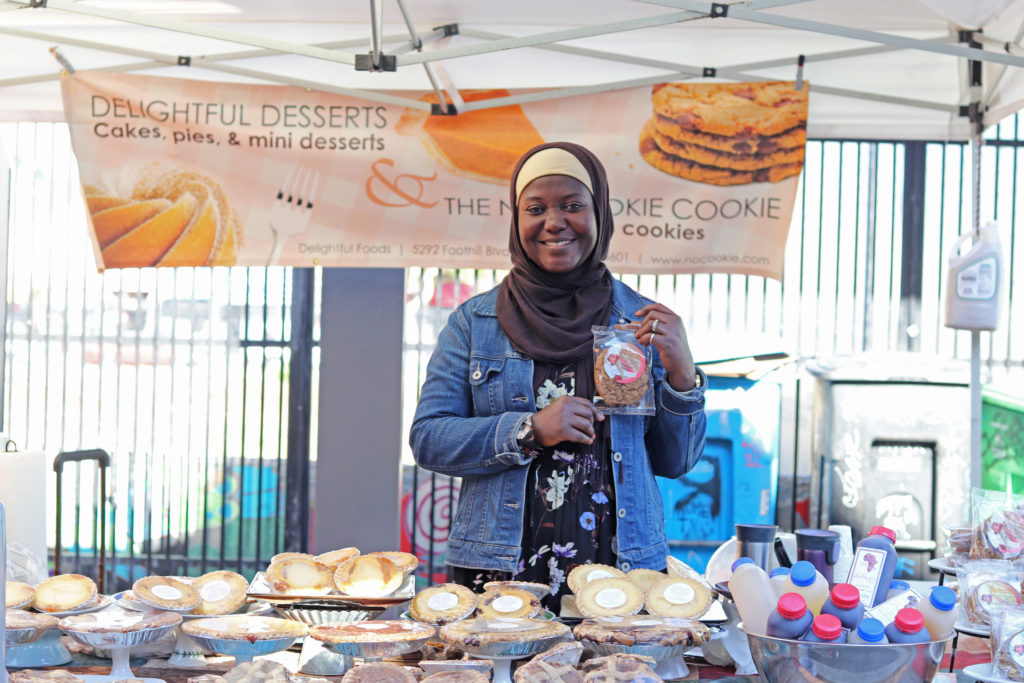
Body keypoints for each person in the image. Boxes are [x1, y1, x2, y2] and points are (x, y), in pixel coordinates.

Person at [410, 141, 707, 607]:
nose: (554, 222)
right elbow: (429, 439)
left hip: (620, 568)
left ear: (599, 214)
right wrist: (530, 429)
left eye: (573, 205)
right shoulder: (475, 323)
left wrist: (683, 376)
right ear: (516, 220)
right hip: (500, 569)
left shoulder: (638, 323)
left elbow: (676, 462)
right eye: (535, 208)